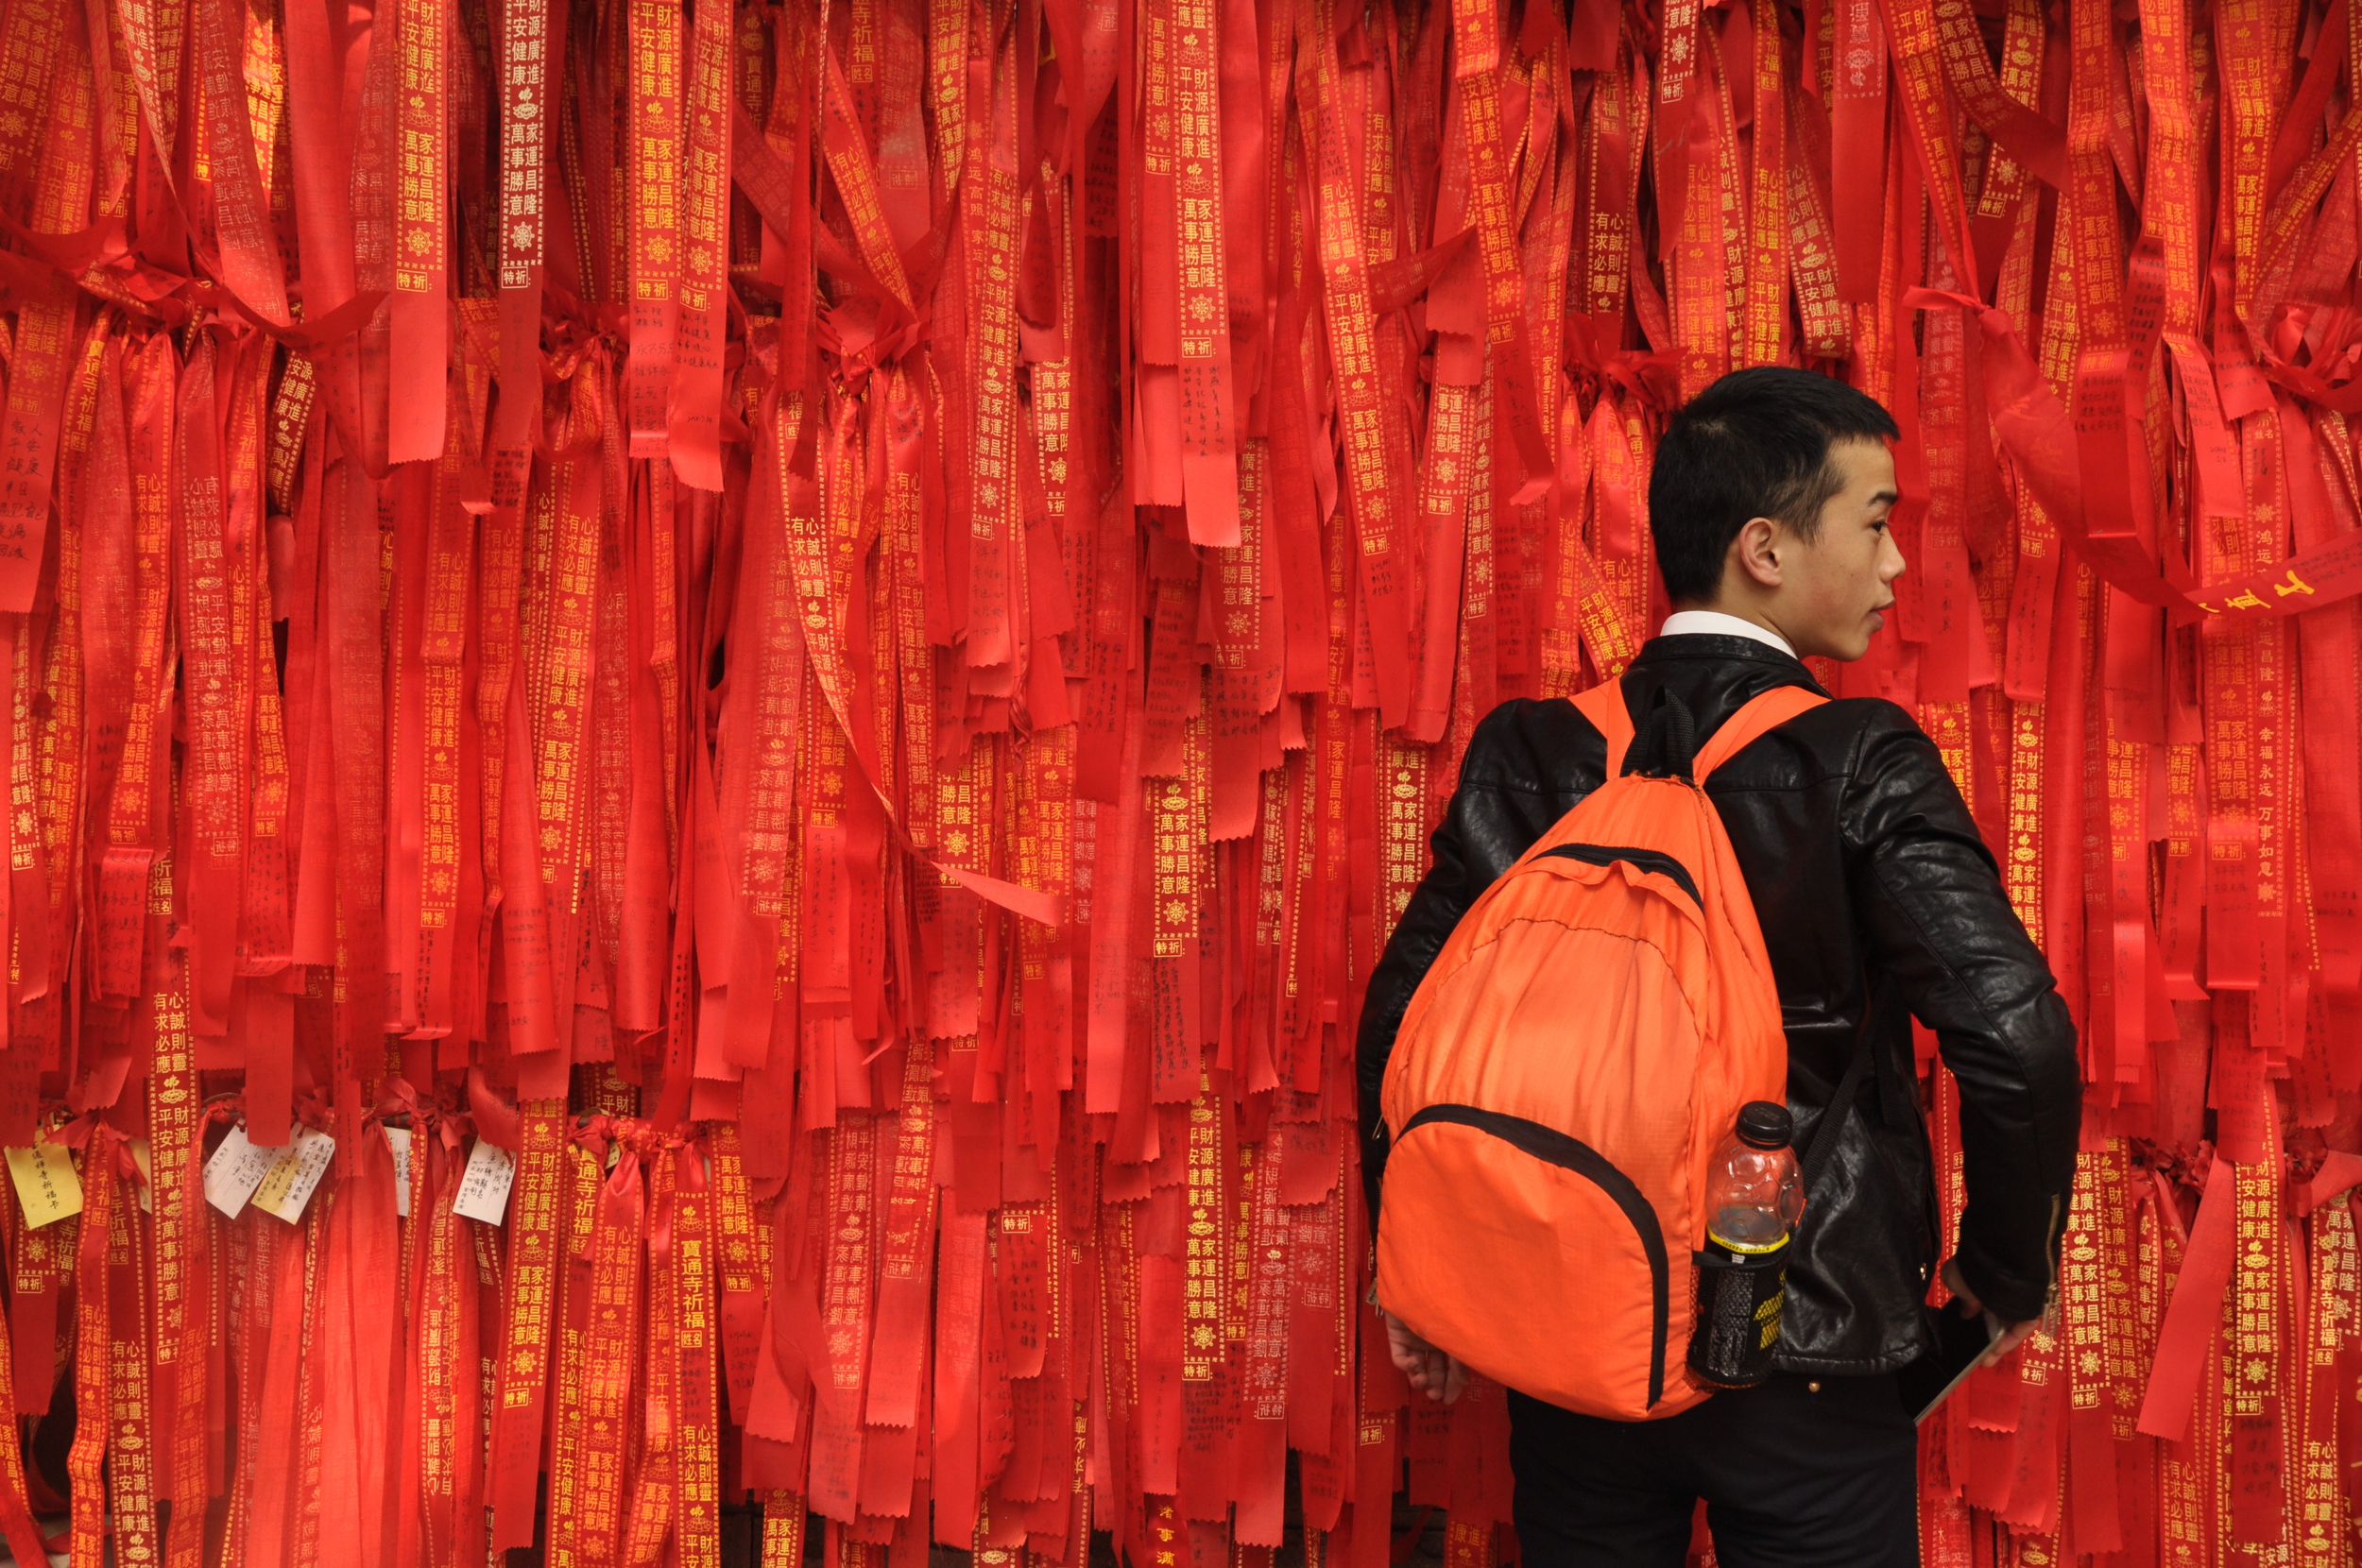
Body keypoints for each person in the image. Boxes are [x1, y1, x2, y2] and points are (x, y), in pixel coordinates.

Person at [1356, 366, 2081, 1567]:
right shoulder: (1861, 758)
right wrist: (2002, 1274)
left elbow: (1402, 1016)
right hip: (1808, 1350)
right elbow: (2016, 1038)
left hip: (1572, 1323)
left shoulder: (1536, 750)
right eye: (1875, 521)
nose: (1897, 565)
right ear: (1764, 548)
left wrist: (1416, 1264)